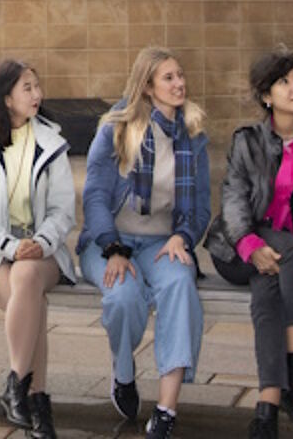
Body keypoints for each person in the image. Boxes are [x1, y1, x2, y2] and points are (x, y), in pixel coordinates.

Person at [205, 48, 293, 439]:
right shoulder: (246, 141)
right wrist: (251, 245)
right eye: (284, 81)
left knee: (272, 284)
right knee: (290, 256)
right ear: (266, 96)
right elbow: (233, 200)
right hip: (239, 249)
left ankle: (268, 403)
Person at [78, 46, 211, 439]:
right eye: (168, 77)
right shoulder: (117, 126)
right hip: (109, 240)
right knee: (123, 297)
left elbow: (201, 204)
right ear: (148, 86)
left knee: (180, 285)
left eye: (180, 75)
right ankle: (123, 373)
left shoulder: (193, 134)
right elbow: (96, 195)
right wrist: (112, 247)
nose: (179, 83)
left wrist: (183, 237)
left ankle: (167, 410)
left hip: (162, 242)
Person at [0, 60, 77, 438]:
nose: (37, 95)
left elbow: (62, 210)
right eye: (28, 88)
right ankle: (37, 404)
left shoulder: (51, 144)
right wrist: (10, 246)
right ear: (6, 97)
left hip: (43, 251)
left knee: (28, 277)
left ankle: (14, 385)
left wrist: (39, 243)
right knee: (34, 304)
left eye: (37, 87)